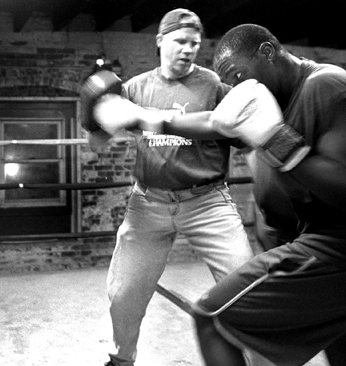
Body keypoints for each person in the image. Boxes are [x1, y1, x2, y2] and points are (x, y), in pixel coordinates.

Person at [91, 23, 346, 366]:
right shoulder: (272, 96)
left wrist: (276, 141)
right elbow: (214, 122)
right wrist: (148, 119)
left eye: (238, 73)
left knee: (214, 317)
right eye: (232, 80)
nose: (238, 85)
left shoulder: (328, 86)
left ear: (267, 52)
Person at [82, 9, 254, 366]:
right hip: (148, 203)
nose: (188, 49)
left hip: (208, 202)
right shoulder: (135, 88)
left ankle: (261, 360)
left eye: (194, 43)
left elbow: (246, 142)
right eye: (180, 41)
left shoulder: (215, 88)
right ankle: (121, 359)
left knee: (247, 287)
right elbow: (95, 143)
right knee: (124, 292)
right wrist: (93, 111)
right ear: (160, 41)